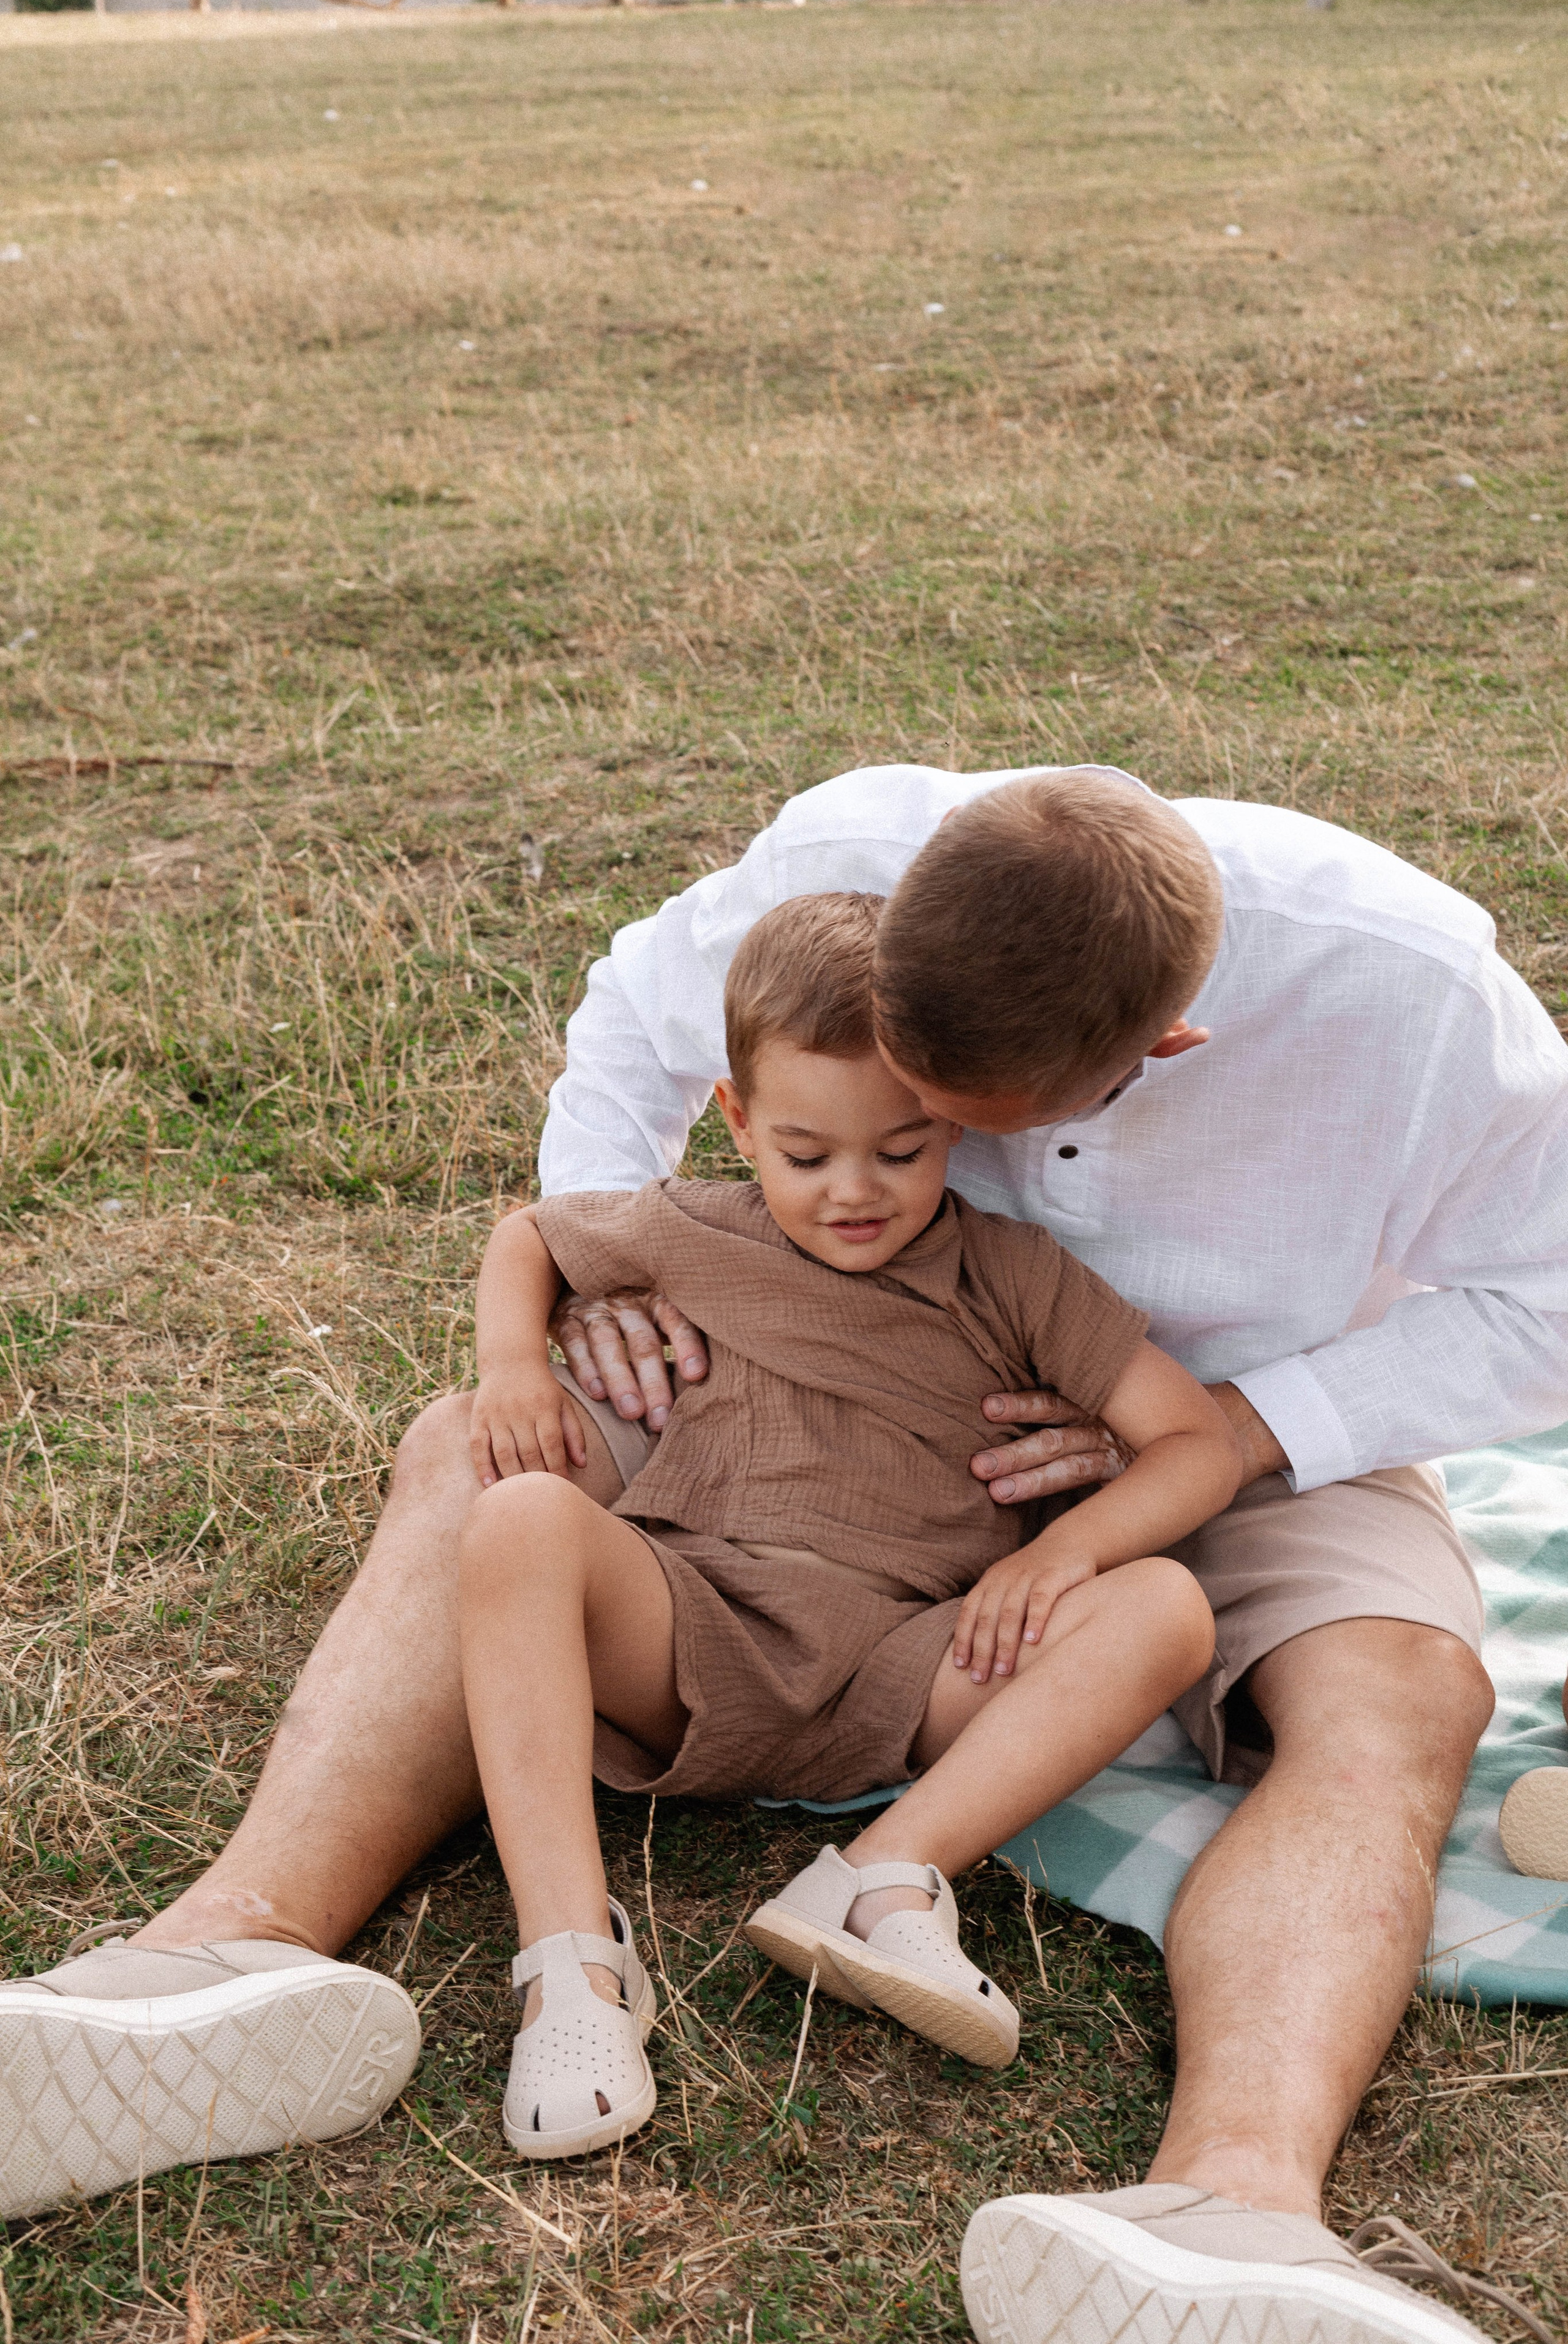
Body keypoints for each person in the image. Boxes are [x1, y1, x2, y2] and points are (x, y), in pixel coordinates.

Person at [2, 766, 1564, 2344]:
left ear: (1165, 1053)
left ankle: (1232, 2214)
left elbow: (1552, 1294)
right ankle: (220, 1963)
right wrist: (592, 1291)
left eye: (959, 1135)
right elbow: (632, 1022)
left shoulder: (1414, 996)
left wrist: (1238, 1427)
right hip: (790, 1375)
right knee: (472, 1461)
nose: (913, 1160)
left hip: (1216, 1425)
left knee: (1398, 1694)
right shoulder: (843, 857)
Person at [461, 892, 1232, 2156]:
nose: (853, 1192)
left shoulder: (1010, 1273)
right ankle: (571, 1966)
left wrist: (1061, 1553)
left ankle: (876, 1881)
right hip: (696, 1633)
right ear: (738, 1119)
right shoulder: (688, 1229)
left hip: (911, 1671)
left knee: (1163, 1605)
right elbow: (528, 1238)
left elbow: (1191, 1439)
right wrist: (510, 1367)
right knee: (520, 1521)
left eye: (904, 1148)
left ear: (956, 1121)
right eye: (805, 1154)